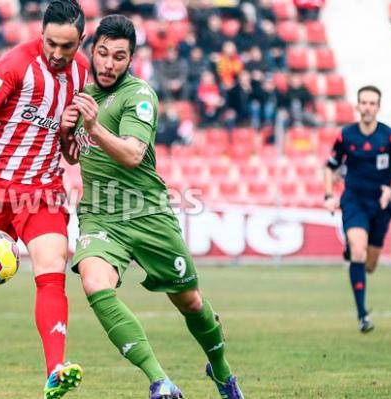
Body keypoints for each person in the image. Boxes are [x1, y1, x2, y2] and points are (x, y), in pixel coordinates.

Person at [60, 15, 244, 399]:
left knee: (191, 302)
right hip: (100, 213)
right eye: (103, 53)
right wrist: (66, 137)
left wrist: (93, 128)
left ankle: (222, 371)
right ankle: (160, 381)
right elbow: (76, 156)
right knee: (95, 284)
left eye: (119, 57)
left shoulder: (139, 95)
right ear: (92, 52)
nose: (109, 64)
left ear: (132, 60)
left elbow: (132, 154)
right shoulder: (81, 94)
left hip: (147, 213)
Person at [0, 1, 90, 398]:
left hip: (42, 191)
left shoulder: (83, 74)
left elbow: (71, 138)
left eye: (68, 46)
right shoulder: (14, 64)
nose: (58, 54)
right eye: (51, 43)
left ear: (81, 41)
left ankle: (55, 369)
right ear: (40, 34)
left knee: (52, 267)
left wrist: (73, 143)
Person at [324, 86, 391, 333]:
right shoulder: (346, 136)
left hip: (380, 205)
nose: (368, 107)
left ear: (378, 107)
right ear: (358, 106)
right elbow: (329, 168)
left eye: (373, 103)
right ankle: (363, 316)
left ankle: (354, 248)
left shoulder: (390, 137)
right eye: (364, 102)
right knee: (359, 253)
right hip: (354, 201)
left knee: (369, 265)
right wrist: (329, 195)